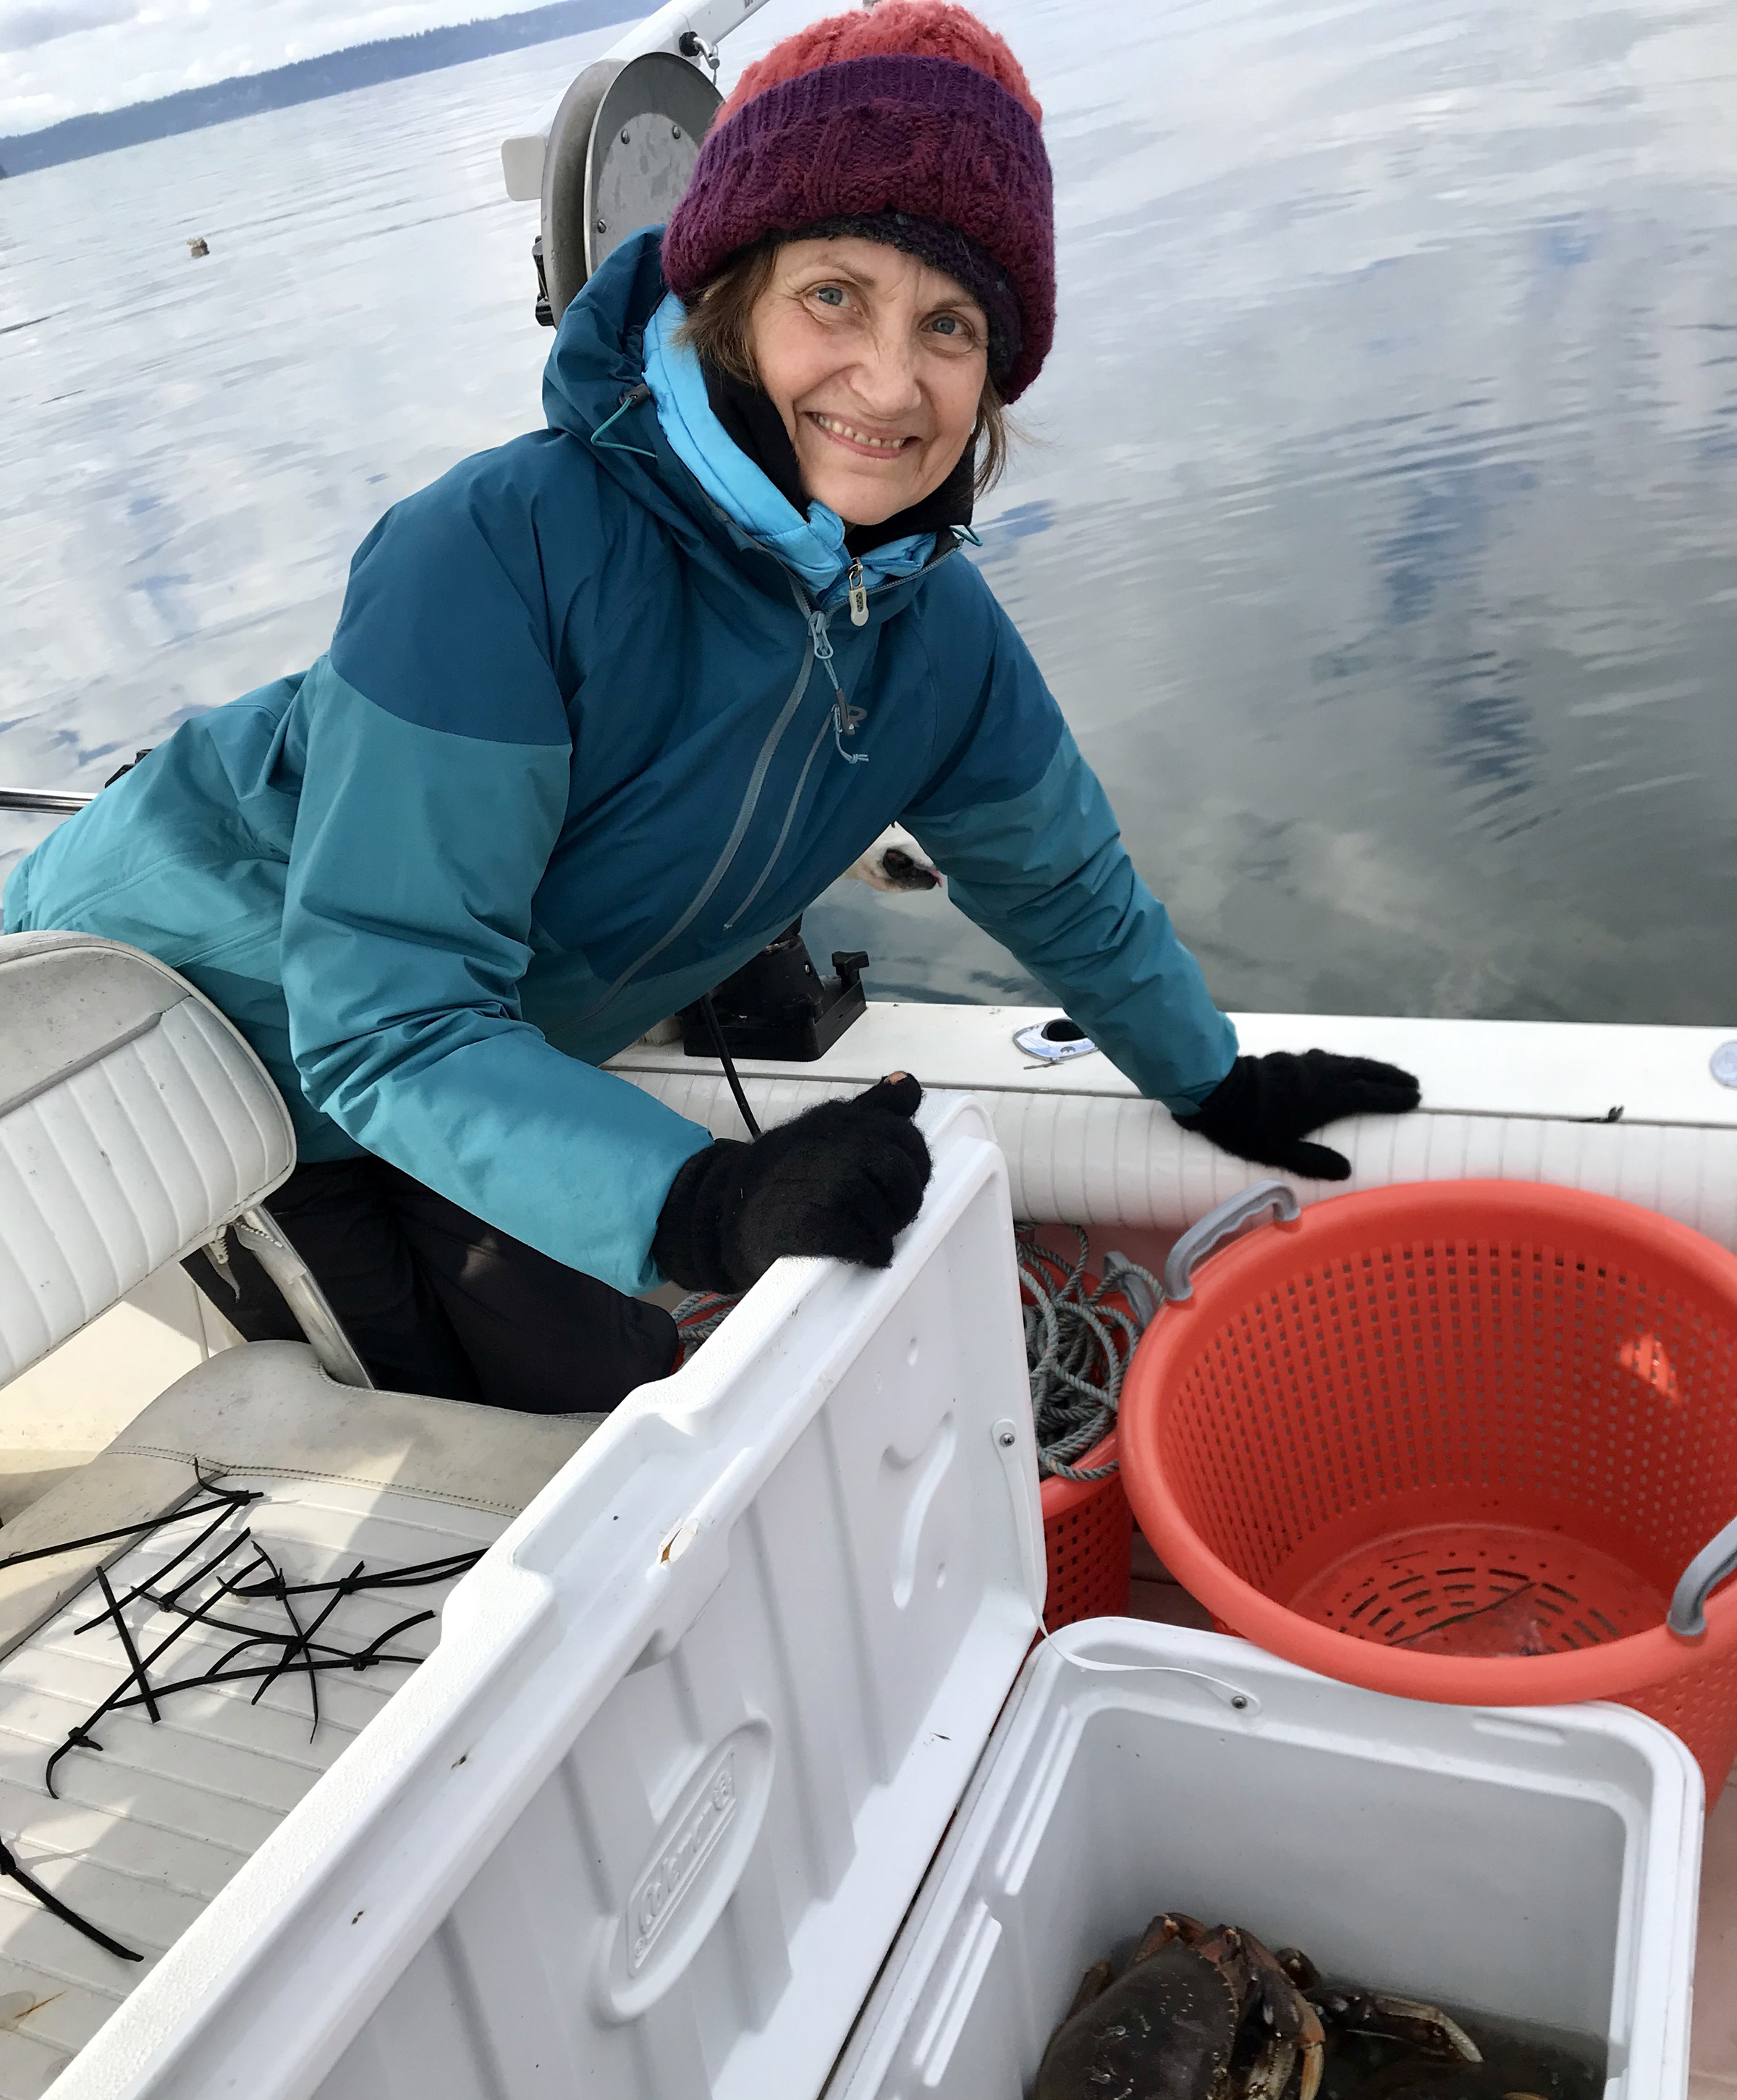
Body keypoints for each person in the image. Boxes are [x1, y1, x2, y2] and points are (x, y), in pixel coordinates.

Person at [2, 0, 1418, 1416]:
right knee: (488, 1435)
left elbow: (1065, 884)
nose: (888, 378)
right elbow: (388, 1014)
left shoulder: (938, 634)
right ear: (729, 290)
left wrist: (1210, 1079)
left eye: (950, 322)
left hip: (467, 1040)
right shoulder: (499, 550)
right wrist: (706, 1201)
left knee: (616, 1392)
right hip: (183, 1040)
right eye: (833, 295)